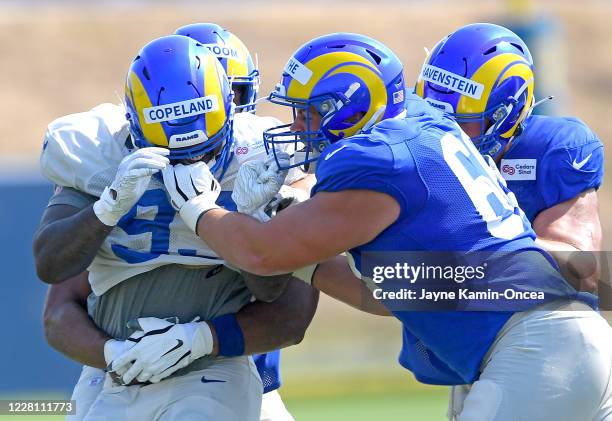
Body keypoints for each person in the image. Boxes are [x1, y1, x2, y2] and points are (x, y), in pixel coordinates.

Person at [159, 32, 612, 420]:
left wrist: (199, 208)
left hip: (535, 351)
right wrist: (296, 246)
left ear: (353, 109)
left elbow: (260, 253)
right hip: (552, 347)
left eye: (309, 111)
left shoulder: (381, 158)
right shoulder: (422, 130)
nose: (296, 126)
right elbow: (381, 295)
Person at [34, 34, 315, 421]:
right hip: (116, 374)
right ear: (136, 118)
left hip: (226, 373)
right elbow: (54, 280)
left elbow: (288, 311)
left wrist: (257, 223)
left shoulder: (266, 159)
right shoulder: (100, 153)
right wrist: (106, 208)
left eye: (209, 149)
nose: (192, 161)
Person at [415, 23, 604, 294]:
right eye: (432, 118)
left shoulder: (554, 150)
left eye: (461, 122)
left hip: (541, 328)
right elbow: (385, 291)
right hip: (444, 326)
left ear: (507, 117)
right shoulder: (409, 143)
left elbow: (583, 272)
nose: (445, 133)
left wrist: (489, 241)